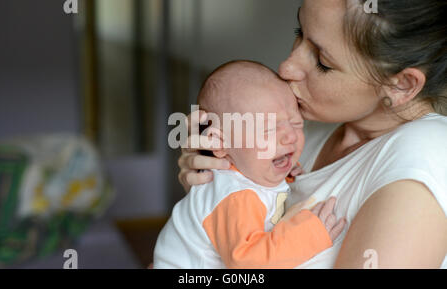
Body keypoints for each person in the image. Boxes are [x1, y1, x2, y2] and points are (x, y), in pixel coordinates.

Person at [177, 0, 447, 268]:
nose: (286, 67)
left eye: (322, 61)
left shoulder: (425, 154)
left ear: (401, 84)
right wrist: (214, 190)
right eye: (299, 34)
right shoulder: (308, 127)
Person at [154, 61, 346, 269]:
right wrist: (310, 236)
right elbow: (247, 262)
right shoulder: (235, 196)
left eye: (296, 123)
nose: (290, 136)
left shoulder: (247, 170)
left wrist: (286, 171)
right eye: (269, 129)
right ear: (220, 143)